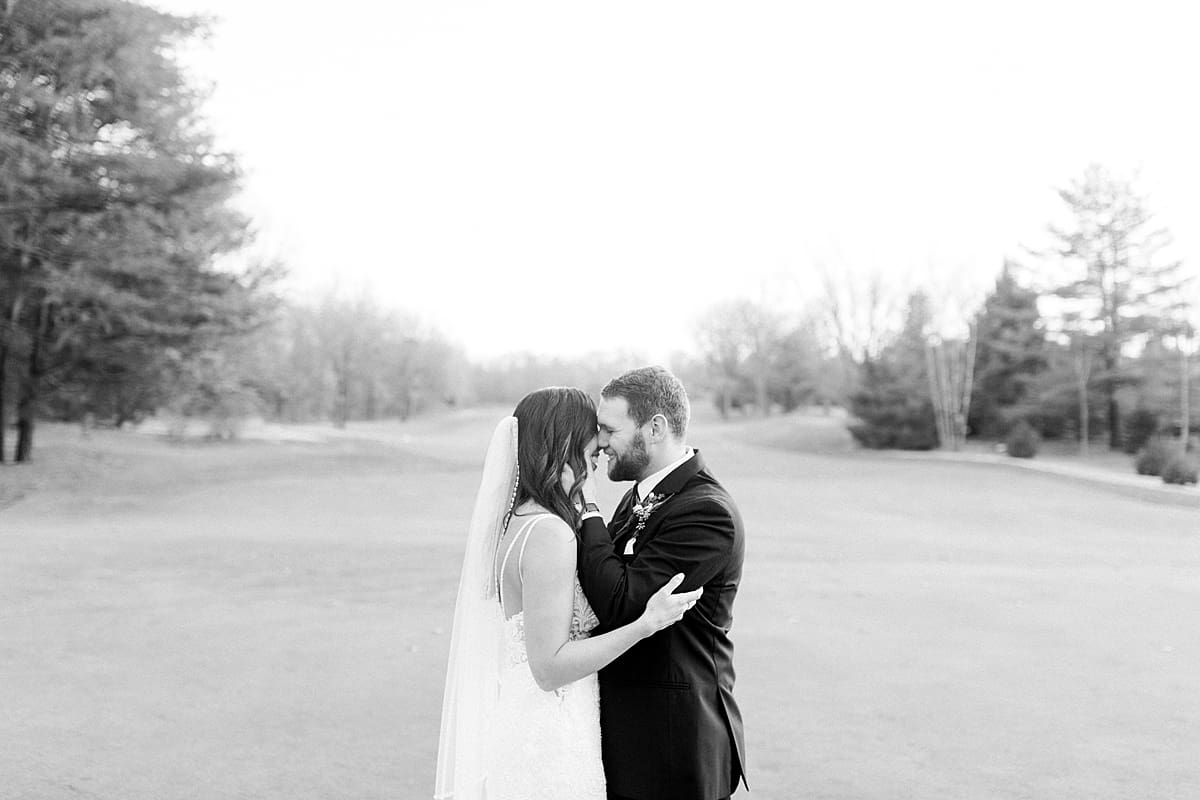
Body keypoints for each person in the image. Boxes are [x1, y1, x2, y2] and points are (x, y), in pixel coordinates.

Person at [435, 386, 702, 800]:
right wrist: (645, 625)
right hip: (550, 736)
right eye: (591, 440)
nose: (600, 448)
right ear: (564, 443)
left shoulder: (521, 519)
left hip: (540, 721)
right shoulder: (550, 535)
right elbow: (549, 668)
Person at [577, 366, 748, 800]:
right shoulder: (643, 495)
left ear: (655, 428)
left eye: (608, 429)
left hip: (672, 747)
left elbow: (621, 602)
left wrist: (587, 504)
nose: (599, 442)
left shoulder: (707, 513)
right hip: (630, 740)